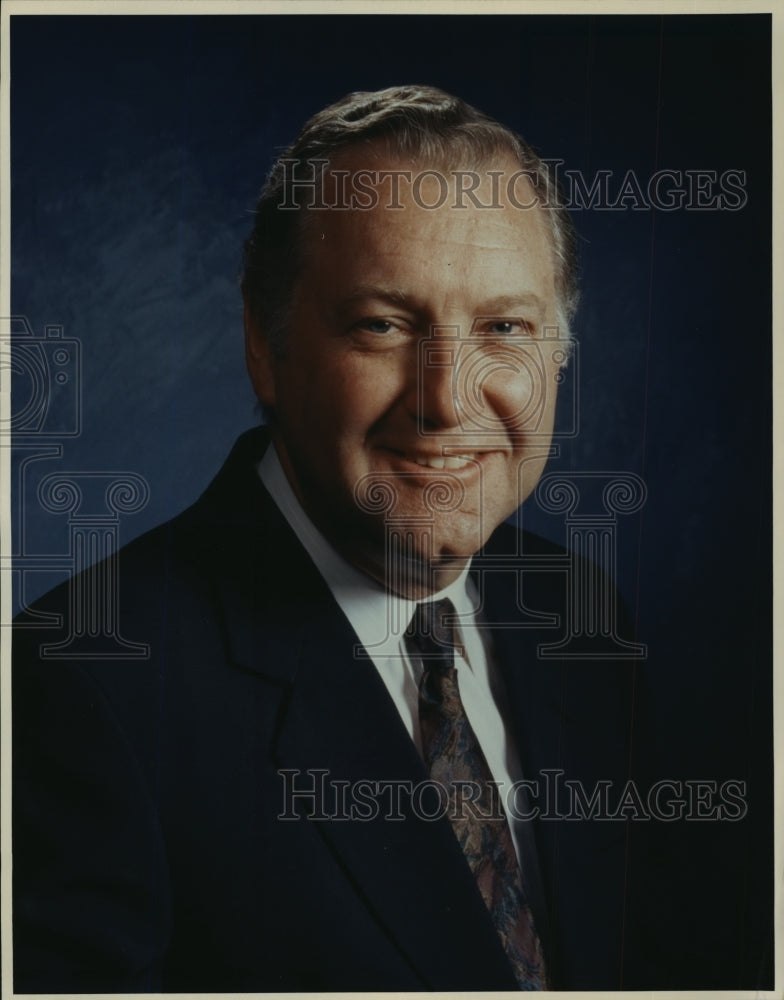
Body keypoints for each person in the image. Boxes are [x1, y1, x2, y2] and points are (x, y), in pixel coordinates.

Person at [13, 85, 655, 992]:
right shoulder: (88, 685)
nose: (448, 401)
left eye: (504, 328)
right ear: (265, 347)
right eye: (383, 326)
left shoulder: (586, 617)